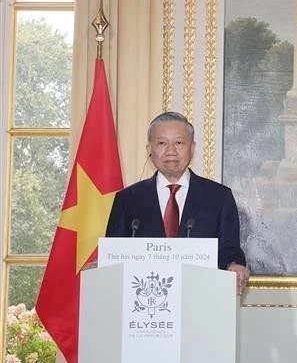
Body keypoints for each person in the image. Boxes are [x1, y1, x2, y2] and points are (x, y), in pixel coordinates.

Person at [106, 111, 249, 294]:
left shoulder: (219, 197)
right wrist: (104, 265)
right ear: (149, 149)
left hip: (201, 299)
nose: (171, 151)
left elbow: (230, 250)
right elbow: (115, 252)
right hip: (145, 304)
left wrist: (235, 266)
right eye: (162, 143)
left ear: (192, 148)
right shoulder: (128, 200)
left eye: (179, 143)